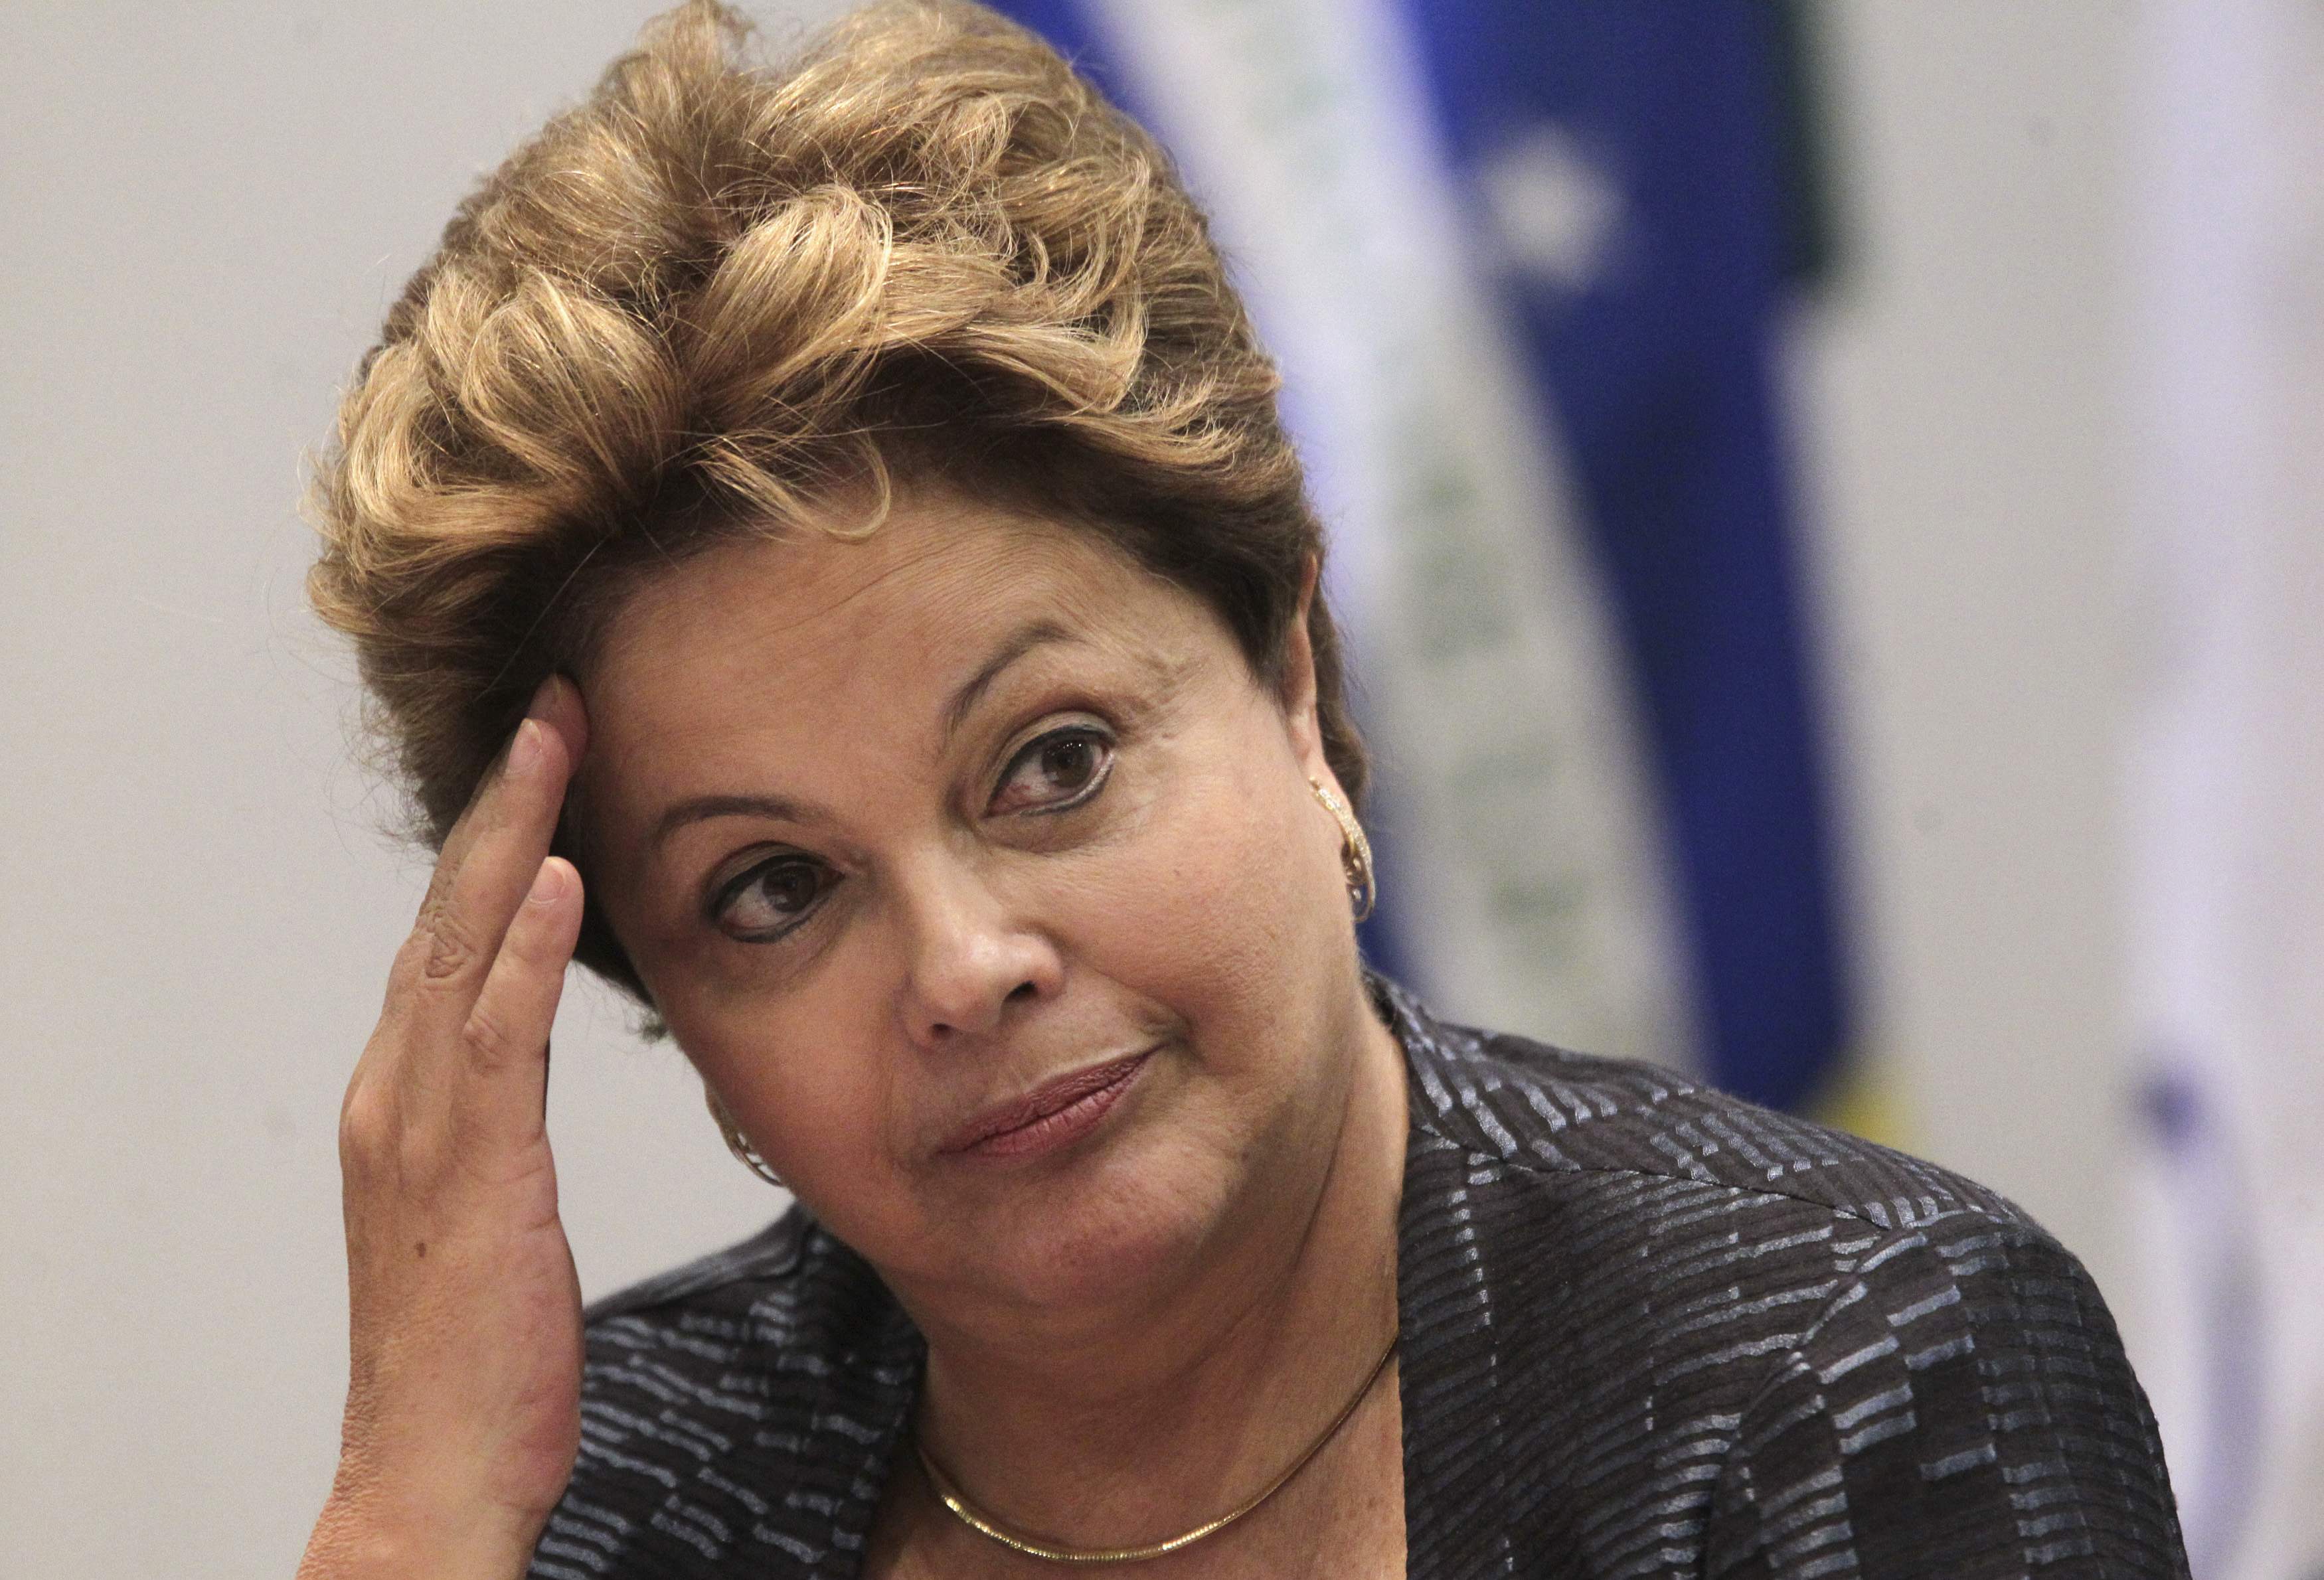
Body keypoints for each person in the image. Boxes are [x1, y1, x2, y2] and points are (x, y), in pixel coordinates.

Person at [295, 3, 2189, 1576]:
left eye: (1050, 764)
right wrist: (405, 1514)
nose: (965, 964)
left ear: (1291, 677)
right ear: (668, 1012)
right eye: (776, 891)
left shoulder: (1847, 1371)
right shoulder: (606, 1500)